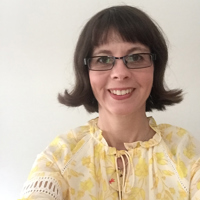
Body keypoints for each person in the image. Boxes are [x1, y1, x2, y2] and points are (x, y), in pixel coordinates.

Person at [19, 5, 200, 200]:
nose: (120, 73)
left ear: (156, 67)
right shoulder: (60, 155)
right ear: (86, 72)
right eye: (104, 59)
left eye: (136, 57)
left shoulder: (184, 149)